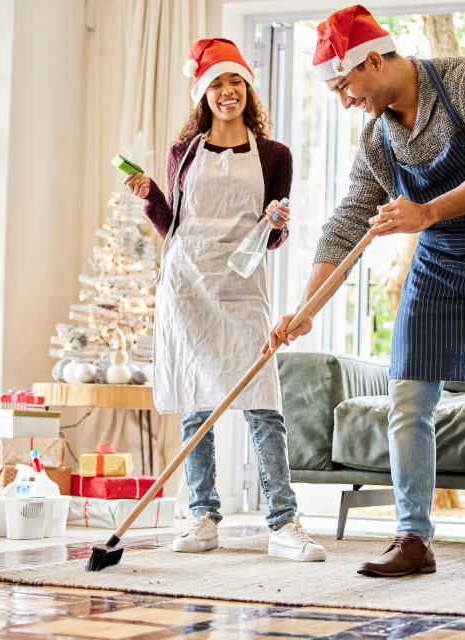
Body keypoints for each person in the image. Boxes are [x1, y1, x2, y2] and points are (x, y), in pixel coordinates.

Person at [266, 5, 465, 582]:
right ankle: (412, 537)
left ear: (372, 61)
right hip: (440, 266)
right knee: (409, 400)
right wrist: (306, 307)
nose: (345, 101)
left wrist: (426, 213)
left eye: (346, 86)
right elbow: (349, 220)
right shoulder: (376, 138)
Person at [125, 37, 325, 562]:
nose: (227, 91)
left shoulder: (274, 156)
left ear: (247, 88)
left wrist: (277, 224)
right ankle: (203, 515)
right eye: (216, 83)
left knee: (262, 403)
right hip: (188, 285)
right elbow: (174, 228)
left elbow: (273, 236)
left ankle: (283, 522)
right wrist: (150, 197)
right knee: (197, 402)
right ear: (203, 94)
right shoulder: (181, 154)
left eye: (235, 80)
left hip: (242, 288)